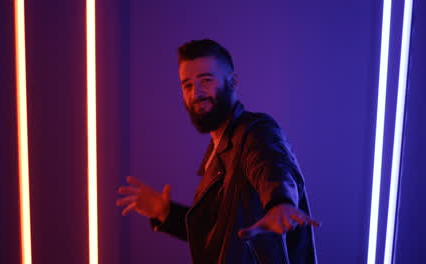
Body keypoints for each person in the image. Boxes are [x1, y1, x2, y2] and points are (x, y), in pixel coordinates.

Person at [116, 39, 319, 263]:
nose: (196, 93)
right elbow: (221, 238)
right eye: (187, 85)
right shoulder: (217, 154)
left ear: (232, 82)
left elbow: (271, 166)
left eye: (206, 80)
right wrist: (166, 214)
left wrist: (280, 202)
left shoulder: (255, 131)